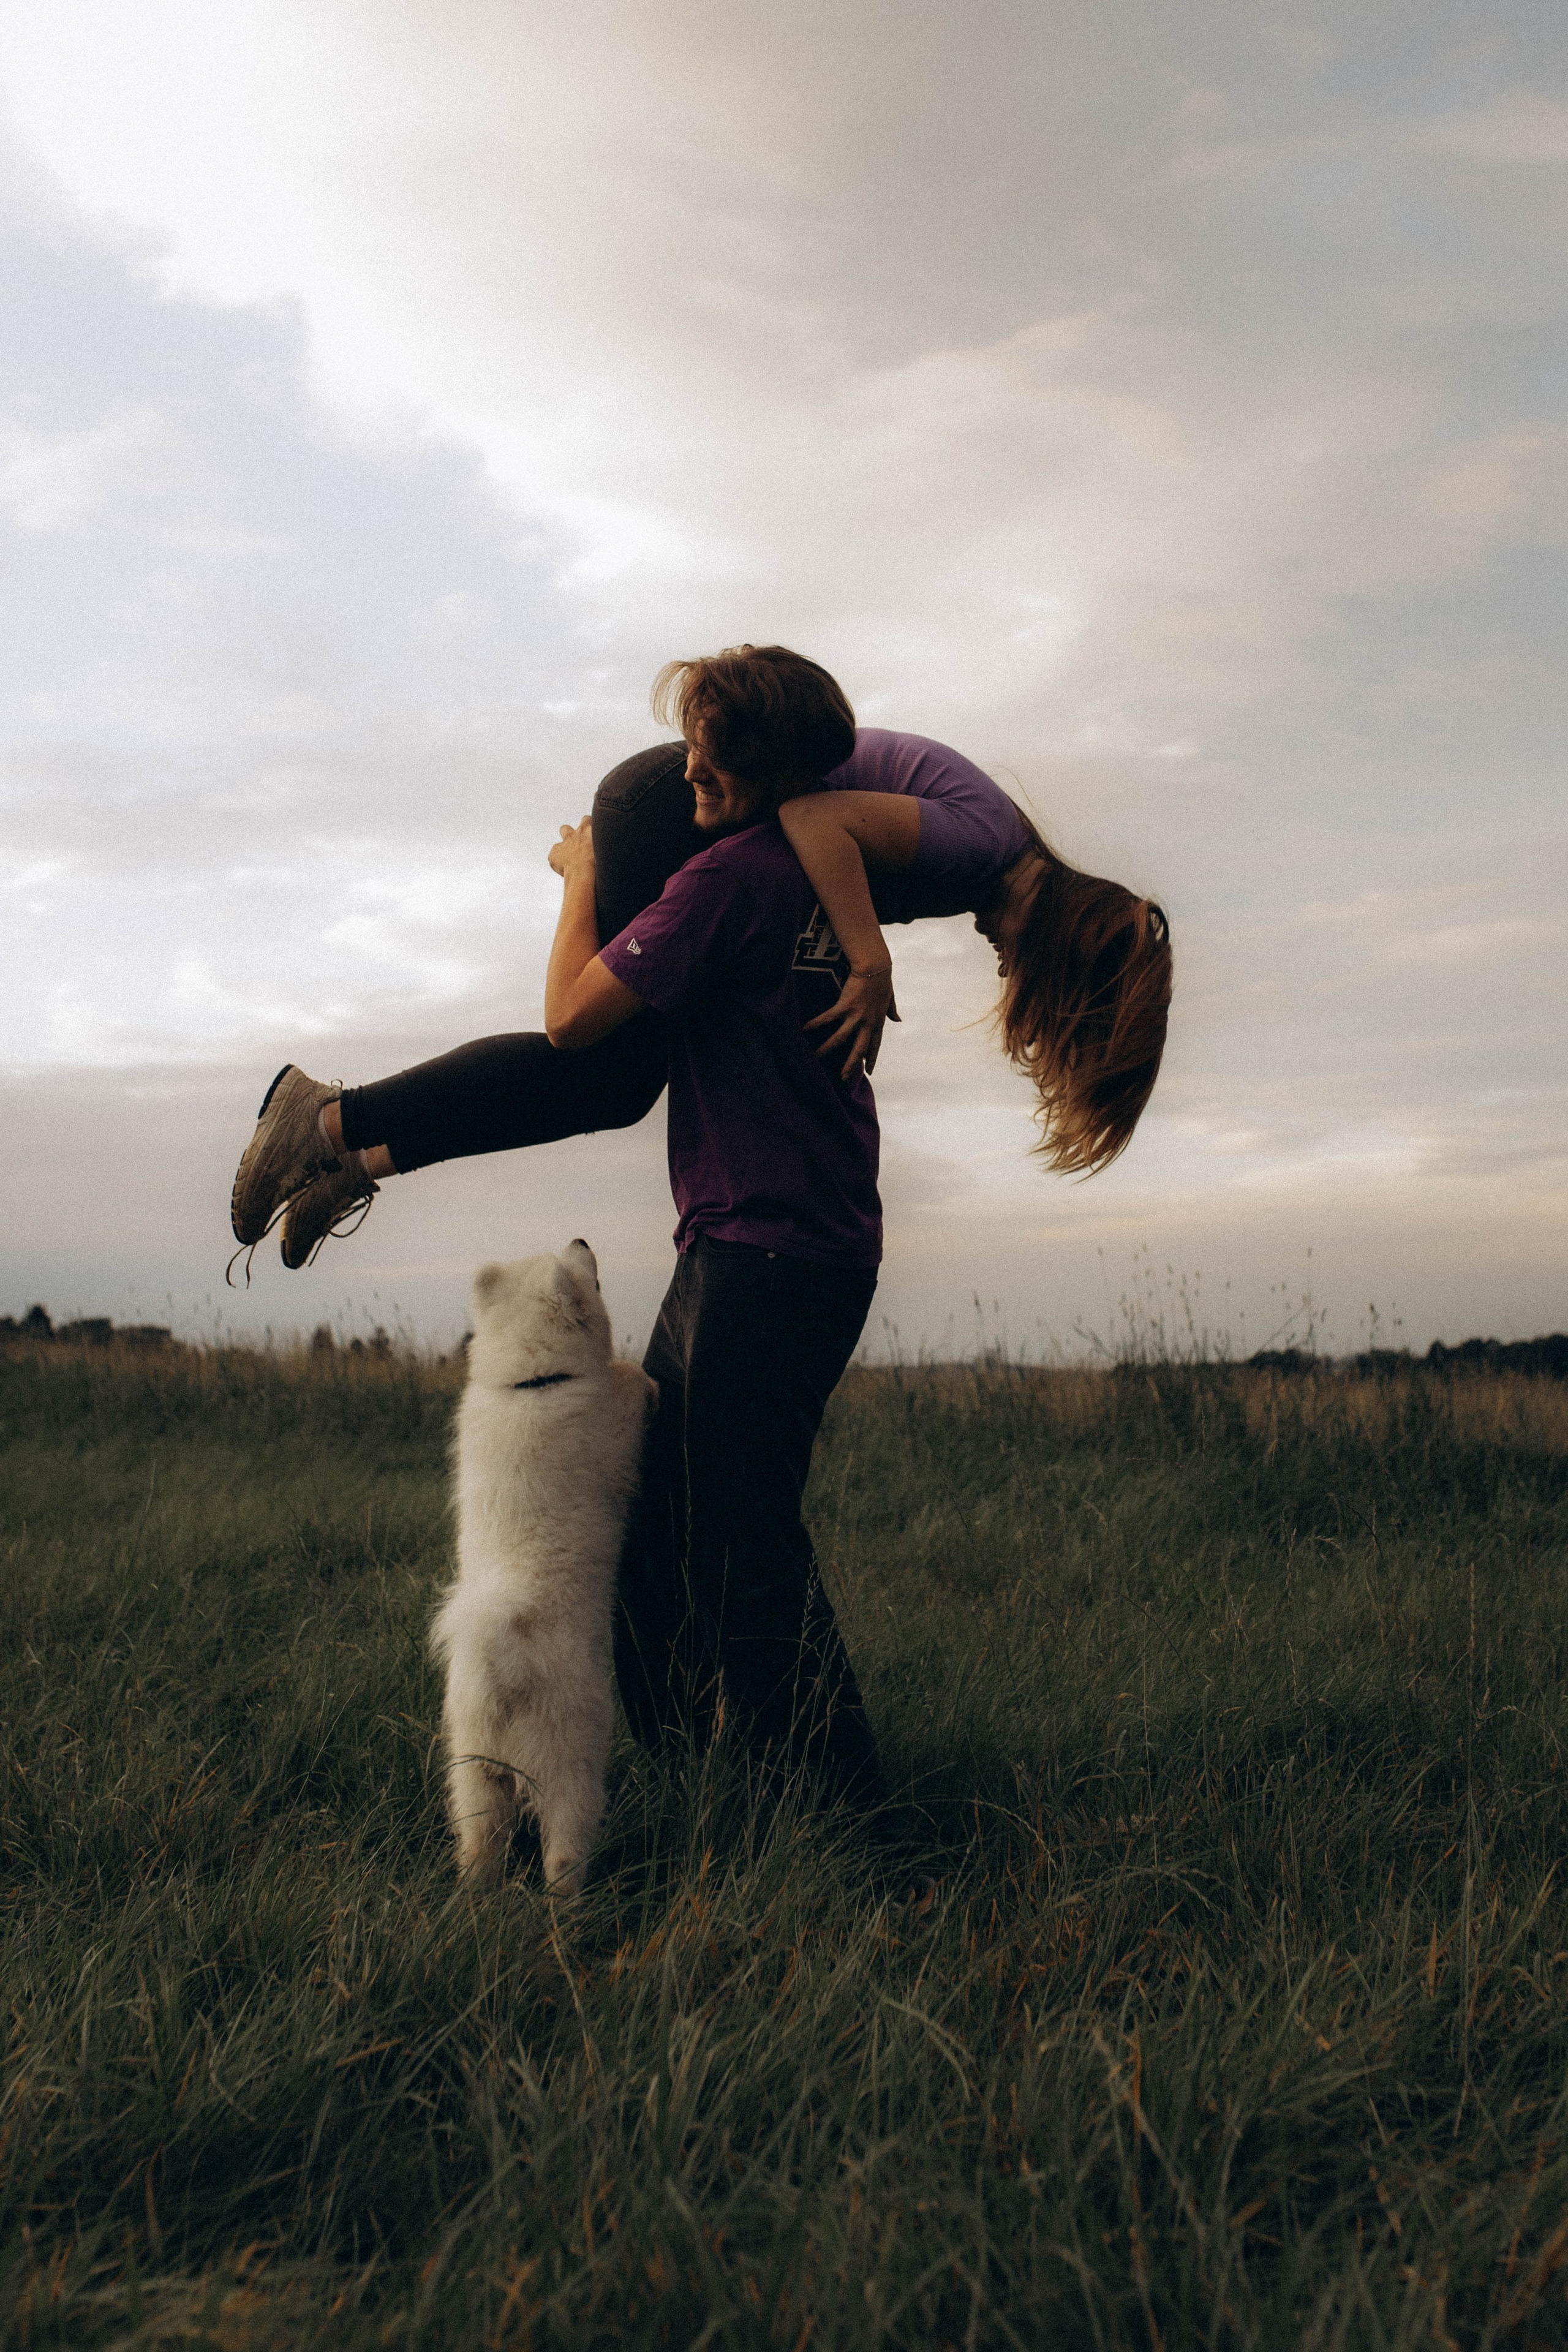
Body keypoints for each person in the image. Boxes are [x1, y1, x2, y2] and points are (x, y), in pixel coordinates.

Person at [228, 646, 1172, 1271]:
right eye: (1032, 980)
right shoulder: (982, 849)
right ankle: (325, 1121)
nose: (1008, 976)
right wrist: (869, 959)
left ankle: (357, 1152)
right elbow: (812, 817)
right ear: (1063, 956)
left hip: (677, 807)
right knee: (602, 1063)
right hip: (668, 805)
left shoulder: (981, 858)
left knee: (615, 1083)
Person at [542, 731, 889, 1807]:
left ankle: (845, 1812)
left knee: (742, 1539)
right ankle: (703, 1760)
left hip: (762, 1249)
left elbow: (567, 1022)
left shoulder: (722, 884)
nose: (694, 775)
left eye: (712, 754)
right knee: (660, 1508)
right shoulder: (815, 873)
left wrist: (585, 876)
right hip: (787, 1242)